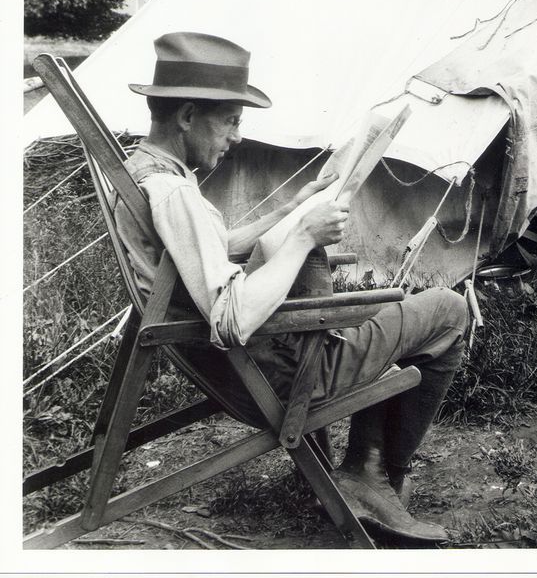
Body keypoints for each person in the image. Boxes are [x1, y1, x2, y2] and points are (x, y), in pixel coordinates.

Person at [116, 31, 469, 543]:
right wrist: (303, 236)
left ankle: (364, 469)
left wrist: (290, 208)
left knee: (376, 314)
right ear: (188, 115)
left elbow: (200, 256)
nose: (236, 137)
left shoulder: (144, 172)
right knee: (448, 310)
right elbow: (231, 319)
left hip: (250, 365)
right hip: (279, 374)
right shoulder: (173, 192)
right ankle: (373, 476)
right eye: (231, 120)